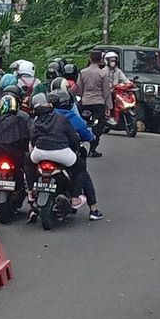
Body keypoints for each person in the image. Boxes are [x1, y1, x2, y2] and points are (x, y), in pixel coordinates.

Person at [28, 93, 81, 225]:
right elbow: (73, 138)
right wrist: (75, 149)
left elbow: (33, 139)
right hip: (61, 153)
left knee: (28, 162)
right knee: (80, 167)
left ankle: (30, 191)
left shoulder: (35, 121)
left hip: (40, 153)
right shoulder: (61, 118)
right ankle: (75, 197)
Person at [50, 88, 102, 220]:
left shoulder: (45, 116)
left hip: (41, 154)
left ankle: (32, 202)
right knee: (82, 171)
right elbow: (85, 136)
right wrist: (92, 138)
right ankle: (92, 208)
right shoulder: (72, 119)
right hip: (65, 154)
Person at [75, 49, 111, 152]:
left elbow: (79, 88)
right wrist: (108, 107)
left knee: (83, 122)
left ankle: (80, 144)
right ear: (101, 60)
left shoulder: (83, 72)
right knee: (98, 126)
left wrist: (82, 97)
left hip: (86, 102)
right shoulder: (102, 74)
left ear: (90, 59)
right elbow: (106, 92)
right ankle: (93, 148)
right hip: (98, 103)